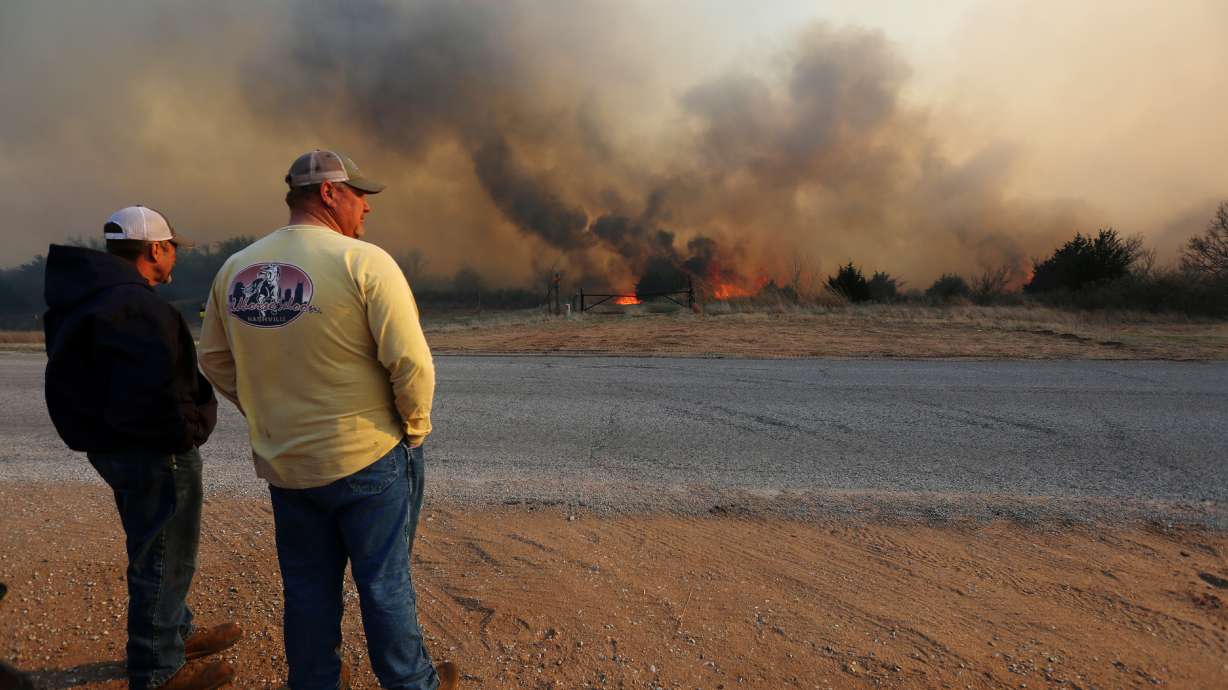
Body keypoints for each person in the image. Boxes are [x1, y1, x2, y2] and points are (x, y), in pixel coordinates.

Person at [199, 150, 457, 690]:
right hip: (367, 455)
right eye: (360, 195)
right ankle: (412, 684)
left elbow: (215, 361)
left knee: (308, 588)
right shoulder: (364, 262)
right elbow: (410, 363)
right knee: (385, 584)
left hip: (287, 464)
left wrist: (263, 409)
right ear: (328, 193)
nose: (367, 208)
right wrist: (414, 429)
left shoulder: (235, 270)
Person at [42, 206, 242, 690]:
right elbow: (160, 394)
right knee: (163, 554)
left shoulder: (83, 299)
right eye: (172, 247)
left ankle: (172, 633)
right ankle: (157, 669)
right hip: (154, 453)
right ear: (154, 249)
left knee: (152, 544)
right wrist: (190, 429)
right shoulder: (139, 308)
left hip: (111, 447)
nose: (175, 256)